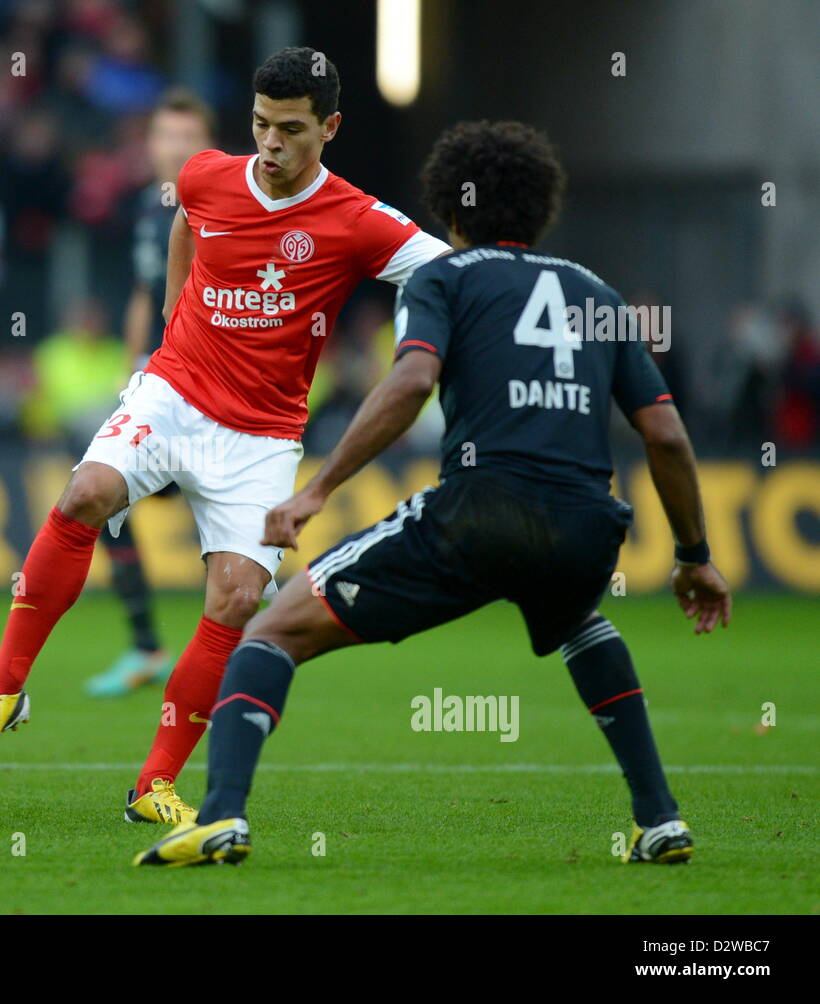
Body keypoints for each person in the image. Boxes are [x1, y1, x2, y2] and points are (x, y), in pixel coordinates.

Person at [136, 119, 731, 867]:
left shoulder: (443, 277)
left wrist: (317, 490)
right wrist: (695, 556)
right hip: (587, 524)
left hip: (479, 511)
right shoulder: (597, 293)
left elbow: (413, 381)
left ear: (451, 207)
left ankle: (220, 817)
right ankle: (660, 819)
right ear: (541, 207)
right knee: (579, 618)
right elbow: (668, 437)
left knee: (269, 634)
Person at [0, 47, 449, 826]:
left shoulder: (358, 219)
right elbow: (189, 217)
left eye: (291, 130)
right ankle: (3, 689)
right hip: (175, 389)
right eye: (260, 125)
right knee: (85, 493)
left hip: (262, 436)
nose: (272, 145)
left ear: (331, 127)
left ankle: (152, 786)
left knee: (236, 599)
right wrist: (176, 309)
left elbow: (451, 272)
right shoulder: (208, 173)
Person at [85, 88, 215, 699]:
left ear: (205, 144)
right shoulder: (146, 209)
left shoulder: (226, 206)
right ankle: (146, 646)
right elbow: (146, 291)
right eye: (166, 135)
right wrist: (129, 368)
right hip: (158, 381)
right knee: (105, 494)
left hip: (213, 388)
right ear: (152, 143)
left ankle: (253, 635)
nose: (176, 147)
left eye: (188, 137)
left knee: (227, 517)